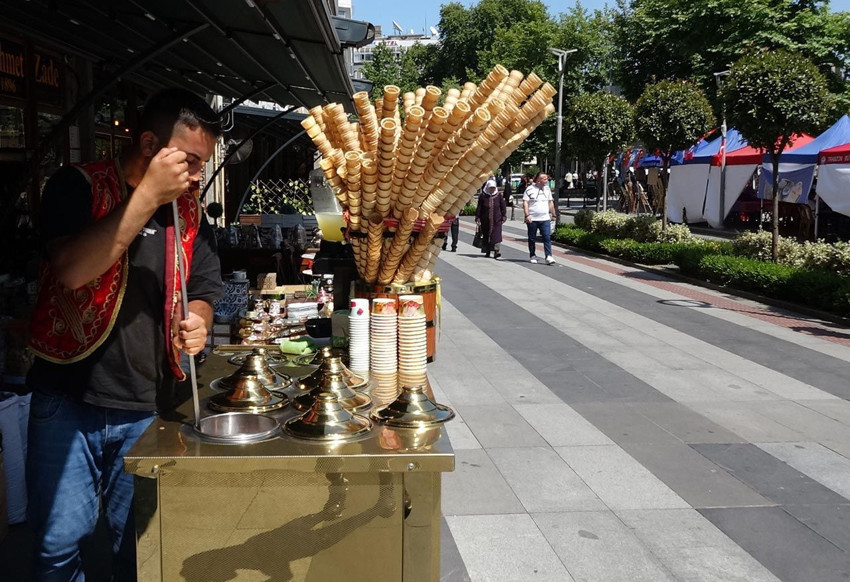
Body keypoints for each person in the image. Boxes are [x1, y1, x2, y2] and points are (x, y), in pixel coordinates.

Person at [26, 88, 223, 580]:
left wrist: (197, 321)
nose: (197, 175)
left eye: (202, 164)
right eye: (190, 160)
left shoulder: (189, 209)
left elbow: (202, 287)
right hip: (69, 396)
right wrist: (148, 197)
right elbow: (72, 270)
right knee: (56, 545)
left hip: (146, 404)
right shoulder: (75, 186)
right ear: (151, 143)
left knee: (137, 547)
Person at [523, 172, 556, 264]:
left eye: (547, 178)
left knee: (547, 237)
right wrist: (527, 215)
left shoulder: (547, 189)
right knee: (532, 238)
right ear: (538, 180)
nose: (546, 180)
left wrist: (553, 214)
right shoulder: (529, 189)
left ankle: (548, 256)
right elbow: (525, 203)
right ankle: (532, 255)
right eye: (544, 178)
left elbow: (550, 202)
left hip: (545, 218)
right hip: (532, 218)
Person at [475, 178, 506, 259]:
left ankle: (496, 251)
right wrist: (477, 217)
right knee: (486, 235)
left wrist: (504, 216)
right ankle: (487, 251)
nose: (492, 189)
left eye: (493, 188)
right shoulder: (483, 196)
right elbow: (479, 207)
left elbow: (503, 206)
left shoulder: (498, 196)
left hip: (496, 219)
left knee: (496, 235)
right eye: (490, 188)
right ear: (487, 187)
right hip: (485, 220)